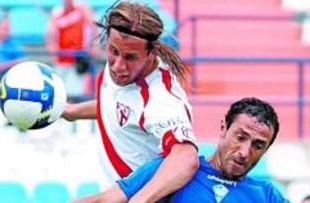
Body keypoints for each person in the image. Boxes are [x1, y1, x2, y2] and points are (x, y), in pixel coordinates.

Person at [62, 2, 199, 202]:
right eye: (113, 51)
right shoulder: (123, 70)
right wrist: (72, 112)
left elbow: (186, 157)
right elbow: (116, 106)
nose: (118, 66)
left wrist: (140, 199)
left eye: (130, 57)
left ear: (152, 53)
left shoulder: (161, 100)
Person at [73, 97, 291, 203]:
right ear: (223, 128)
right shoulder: (178, 167)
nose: (244, 151)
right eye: (240, 137)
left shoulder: (266, 194)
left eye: (258, 145)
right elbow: (107, 200)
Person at [46, 0, 98, 101]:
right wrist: (52, 50)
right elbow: (50, 34)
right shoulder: (57, 12)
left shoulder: (82, 9)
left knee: (76, 94)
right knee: (59, 93)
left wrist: (95, 46)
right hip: (61, 60)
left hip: (79, 60)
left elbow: (94, 27)